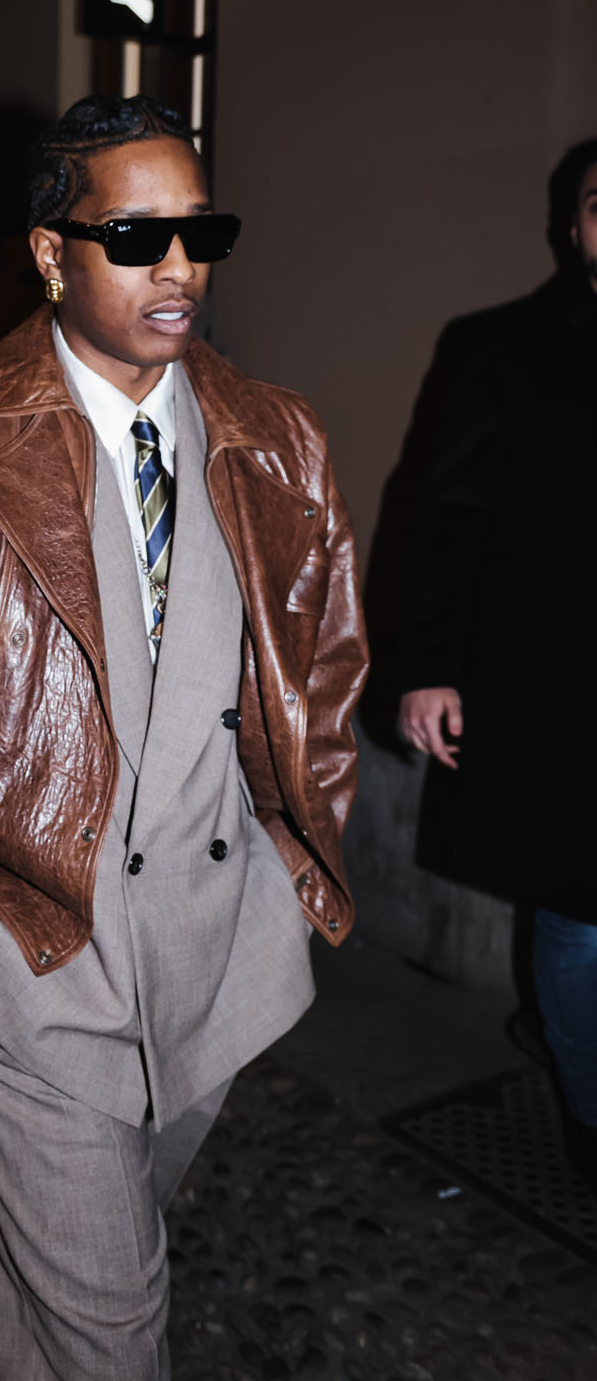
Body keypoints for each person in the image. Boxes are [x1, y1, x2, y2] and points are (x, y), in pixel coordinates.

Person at [0, 94, 368, 1377]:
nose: (179, 267)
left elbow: (326, 668)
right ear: (50, 254)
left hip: (222, 960)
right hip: (35, 957)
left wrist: (290, 865)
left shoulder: (278, 439)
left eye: (200, 231)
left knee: (56, 1293)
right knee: (111, 1323)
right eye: (135, 236)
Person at [398, 138, 597, 1182]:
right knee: (581, 917)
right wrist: (428, 665)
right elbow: (446, 516)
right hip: (557, 684)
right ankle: (590, 1112)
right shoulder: (506, 346)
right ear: (575, 226)